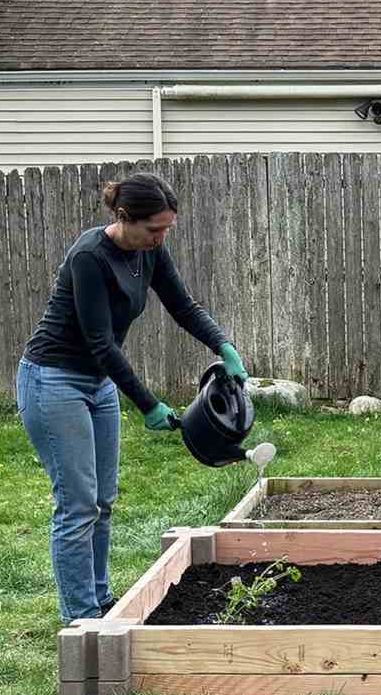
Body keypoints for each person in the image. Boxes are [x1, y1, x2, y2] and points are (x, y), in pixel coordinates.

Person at [16, 172, 247, 621]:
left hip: (97, 385)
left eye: (166, 229)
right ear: (124, 218)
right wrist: (148, 404)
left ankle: (100, 601)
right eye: (153, 229)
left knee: (103, 501)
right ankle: (80, 619)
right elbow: (101, 343)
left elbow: (184, 306)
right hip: (54, 381)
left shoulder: (150, 252)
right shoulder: (89, 257)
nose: (161, 237)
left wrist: (224, 345)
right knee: (77, 503)